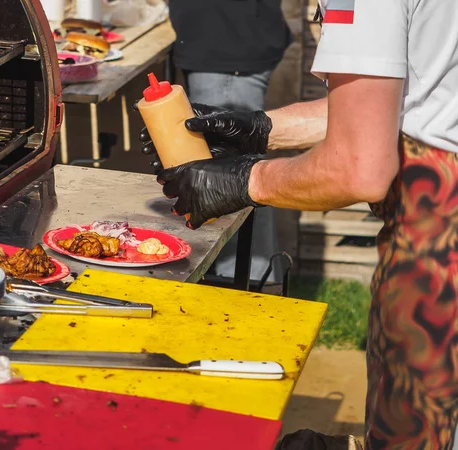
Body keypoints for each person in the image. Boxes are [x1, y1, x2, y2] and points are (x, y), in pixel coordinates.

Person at [139, 0, 458, 447]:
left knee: (419, 427)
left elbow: (359, 166)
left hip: (439, 234)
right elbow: (392, 106)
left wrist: (245, 180)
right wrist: (260, 129)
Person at [164, 0, 293, 285]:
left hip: (226, 43)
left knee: (231, 182)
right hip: (225, 40)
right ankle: (249, 284)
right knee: (232, 175)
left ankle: (248, 291)